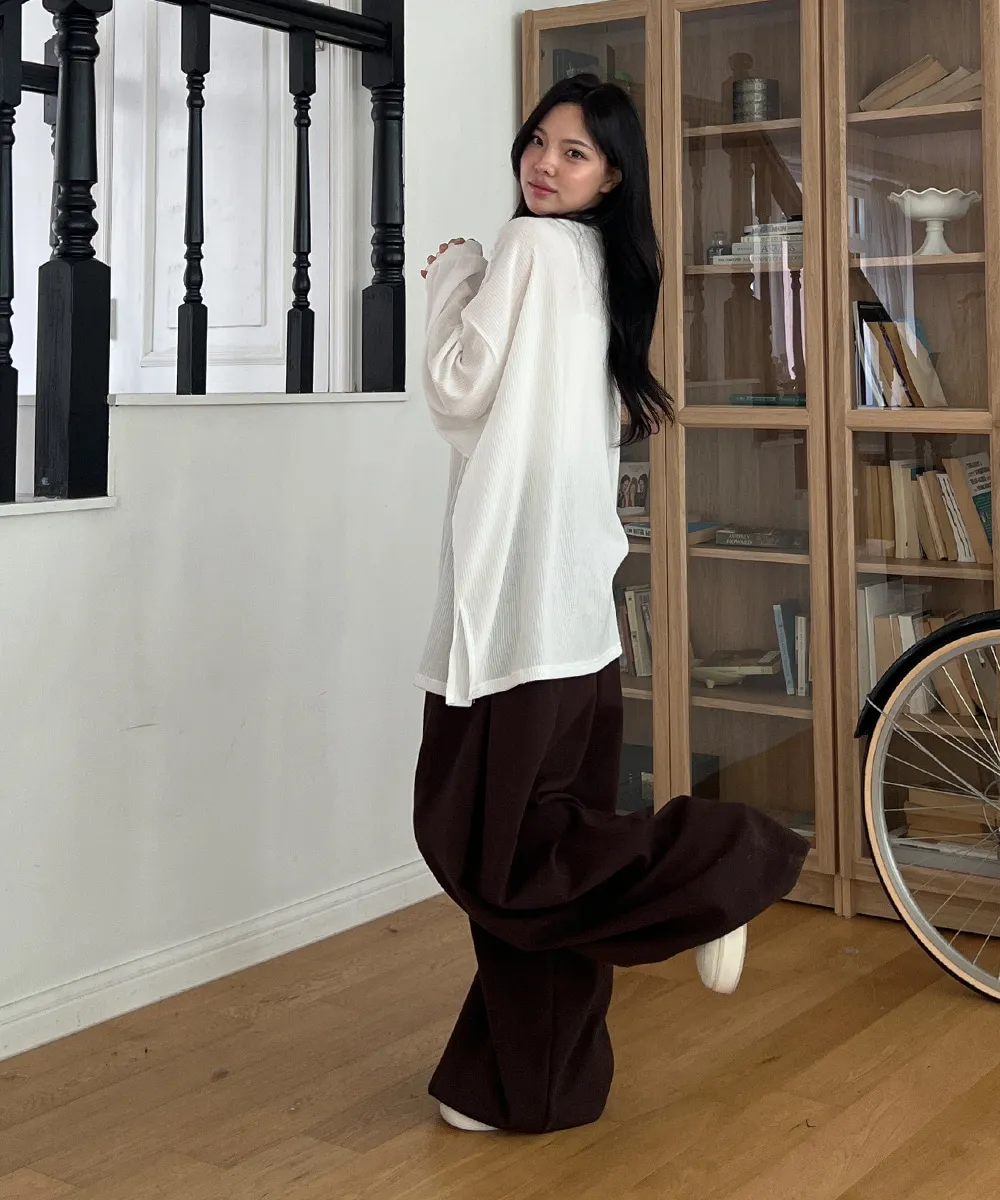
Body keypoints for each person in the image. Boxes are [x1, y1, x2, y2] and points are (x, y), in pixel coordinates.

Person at [413, 74, 807, 1136]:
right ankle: (526, 1087)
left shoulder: (530, 250)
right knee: (549, 850)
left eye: (574, 151)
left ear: (613, 174)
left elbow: (455, 387)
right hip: (576, 613)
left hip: (513, 614)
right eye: (538, 142)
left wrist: (451, 276)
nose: (544, 163)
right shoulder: (600, 264)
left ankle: (712, 866)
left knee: (483, 846)